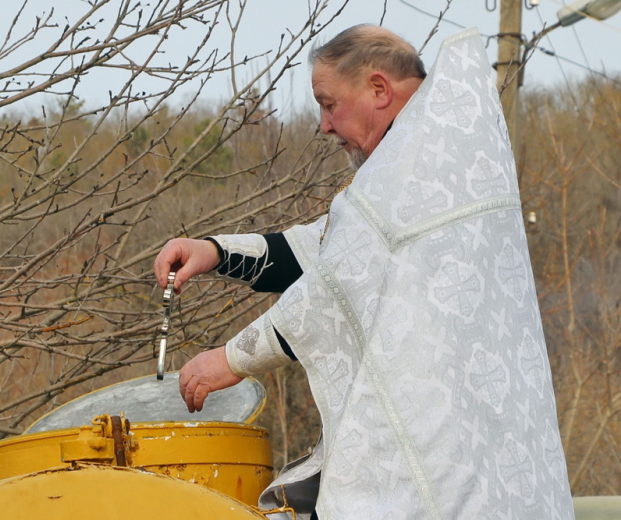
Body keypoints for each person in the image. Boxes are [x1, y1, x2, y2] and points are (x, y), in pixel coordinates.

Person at [154, 25, 573, 519]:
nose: (325, 125)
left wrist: (229, 360)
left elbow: (333, 289)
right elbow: (327, 252)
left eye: (328, 103)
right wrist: (214, 251)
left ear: (378, 89)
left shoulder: (416, 172)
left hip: (440, 477)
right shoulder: (431, 159)